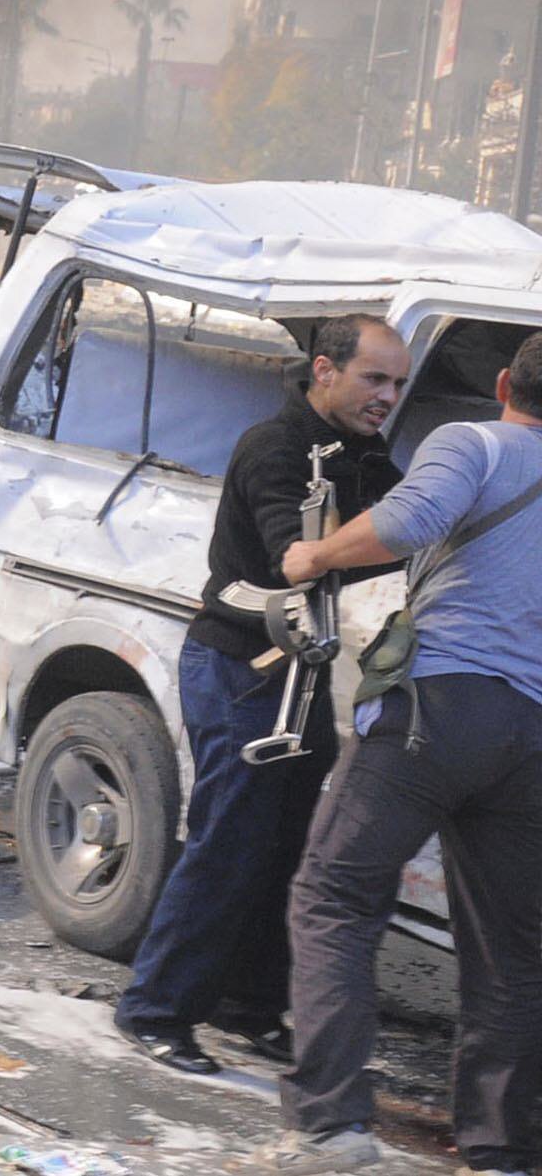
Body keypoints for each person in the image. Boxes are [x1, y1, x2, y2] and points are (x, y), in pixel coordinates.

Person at [241, 327, 542, 1175]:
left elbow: (409, 520)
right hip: (532, 737)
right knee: (510, 949)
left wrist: (315, 552)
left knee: (334, 894)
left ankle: (333, 1126)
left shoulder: (473, 441)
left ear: (500, 383)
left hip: (437, 712)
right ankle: (502, 1148)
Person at [116, 316, 406, 1075]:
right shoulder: (273, 448)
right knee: (227, 844)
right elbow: (295, 559)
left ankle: (249, 1007)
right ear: (325, 370)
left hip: (301, 678)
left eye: (399, 383)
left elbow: (394, 530)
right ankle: (154, 1009)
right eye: (375, 378)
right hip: (238, 668)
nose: (389, 396)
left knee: (290, 849)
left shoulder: (362, 451)